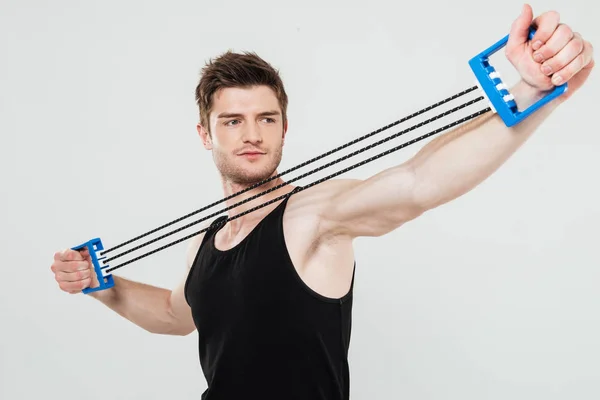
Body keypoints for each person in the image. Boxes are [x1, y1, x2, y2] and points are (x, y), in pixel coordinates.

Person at [50, 5, 594, 400]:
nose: (252, 135)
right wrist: (100, 285)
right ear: (204, 134)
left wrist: (529, 92)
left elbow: (418, 182)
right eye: (232, 121)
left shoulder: (312, 218)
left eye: (266, 119)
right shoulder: (204, 239)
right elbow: (177, 315)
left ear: (285, 127)